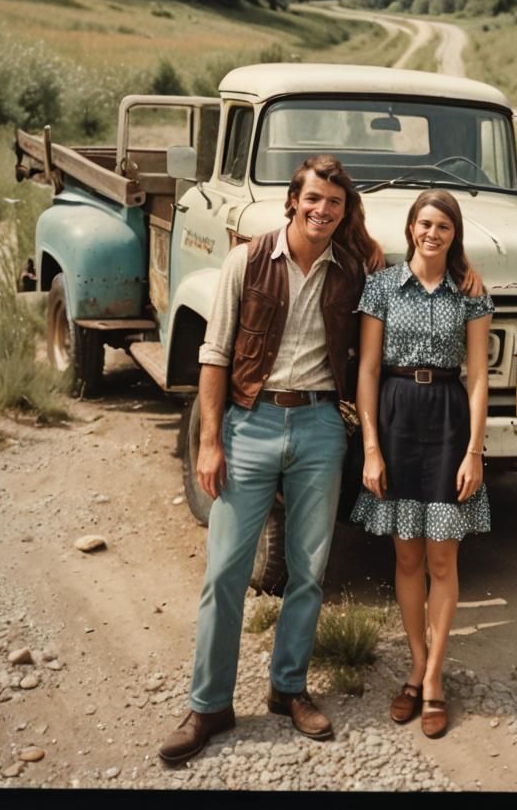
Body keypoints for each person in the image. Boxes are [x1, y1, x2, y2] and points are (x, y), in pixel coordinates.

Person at [158, 155, 380, 765]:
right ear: (293, 200)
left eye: (334, 203)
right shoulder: (247, 260)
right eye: (313, 199)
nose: (322, 210)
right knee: (226, 572)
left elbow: (403, 298)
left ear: (344, 210)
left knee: (308, 571)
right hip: (251, 423)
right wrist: (209, 440)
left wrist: (461, 274)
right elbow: (214, 352)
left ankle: (288, 691)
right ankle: (209, 705)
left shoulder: (352, 271)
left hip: (319, 427)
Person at [350, 188, 493, 740]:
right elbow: (366, 370)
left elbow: (479, 376)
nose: (432, 233)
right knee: (407, 556)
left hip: (449, 420)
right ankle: (414, 663)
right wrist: (370, 447)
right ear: (411, 227)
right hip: (395, 417)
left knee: (442, 559)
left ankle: (434, 678)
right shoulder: (382, 285)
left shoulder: (471, 293)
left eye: (444, 227)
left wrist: (474, 451)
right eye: (425, 223)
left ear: (455, 236)